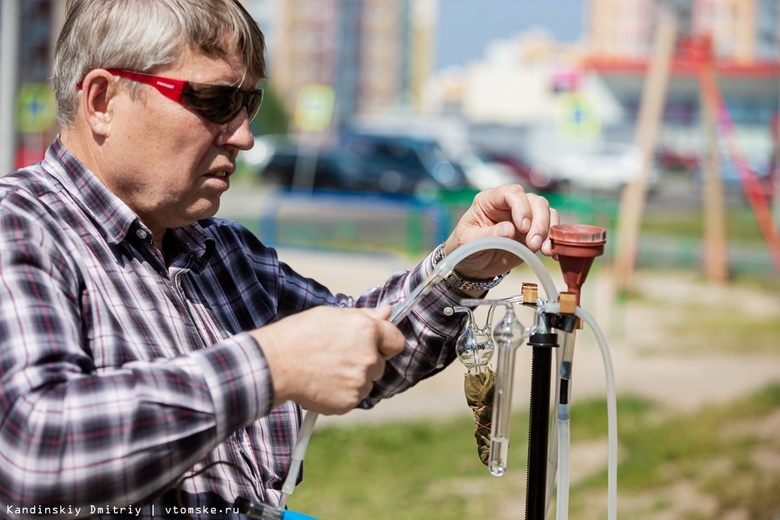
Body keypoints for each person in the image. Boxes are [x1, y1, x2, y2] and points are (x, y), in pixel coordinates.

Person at [0, 0, 558, 518]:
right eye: (216, 101)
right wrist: (269, 366)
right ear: (102, 101)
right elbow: (34, 452)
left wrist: (460, 267)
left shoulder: (219, 251)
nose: (243, 136)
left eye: (250, 104)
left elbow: (363, 347)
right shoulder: (20, 229)